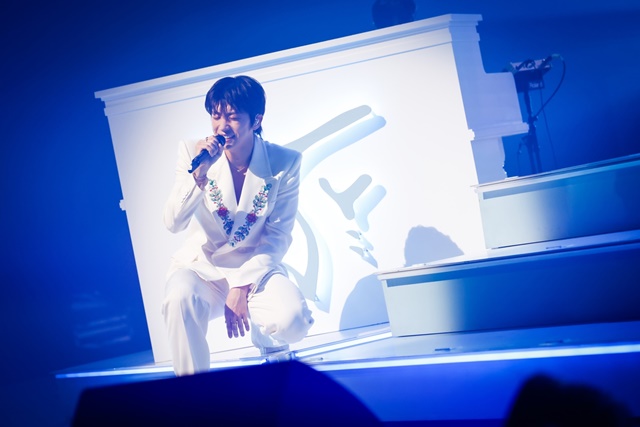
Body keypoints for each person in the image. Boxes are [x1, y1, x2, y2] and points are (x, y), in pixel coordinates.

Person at [162, 75, 314, 376]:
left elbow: (278, 235)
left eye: (232, 117)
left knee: (294, 321)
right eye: (216, 116)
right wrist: (199, 175)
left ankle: (267, 339)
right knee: (179, 296)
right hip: (204, 269)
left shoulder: (285, 162)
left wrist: (242, 286)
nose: (221, 127)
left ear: (256, 120)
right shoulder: (192, 152)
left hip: (254, 269)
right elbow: (173, 223)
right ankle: (193, 389)